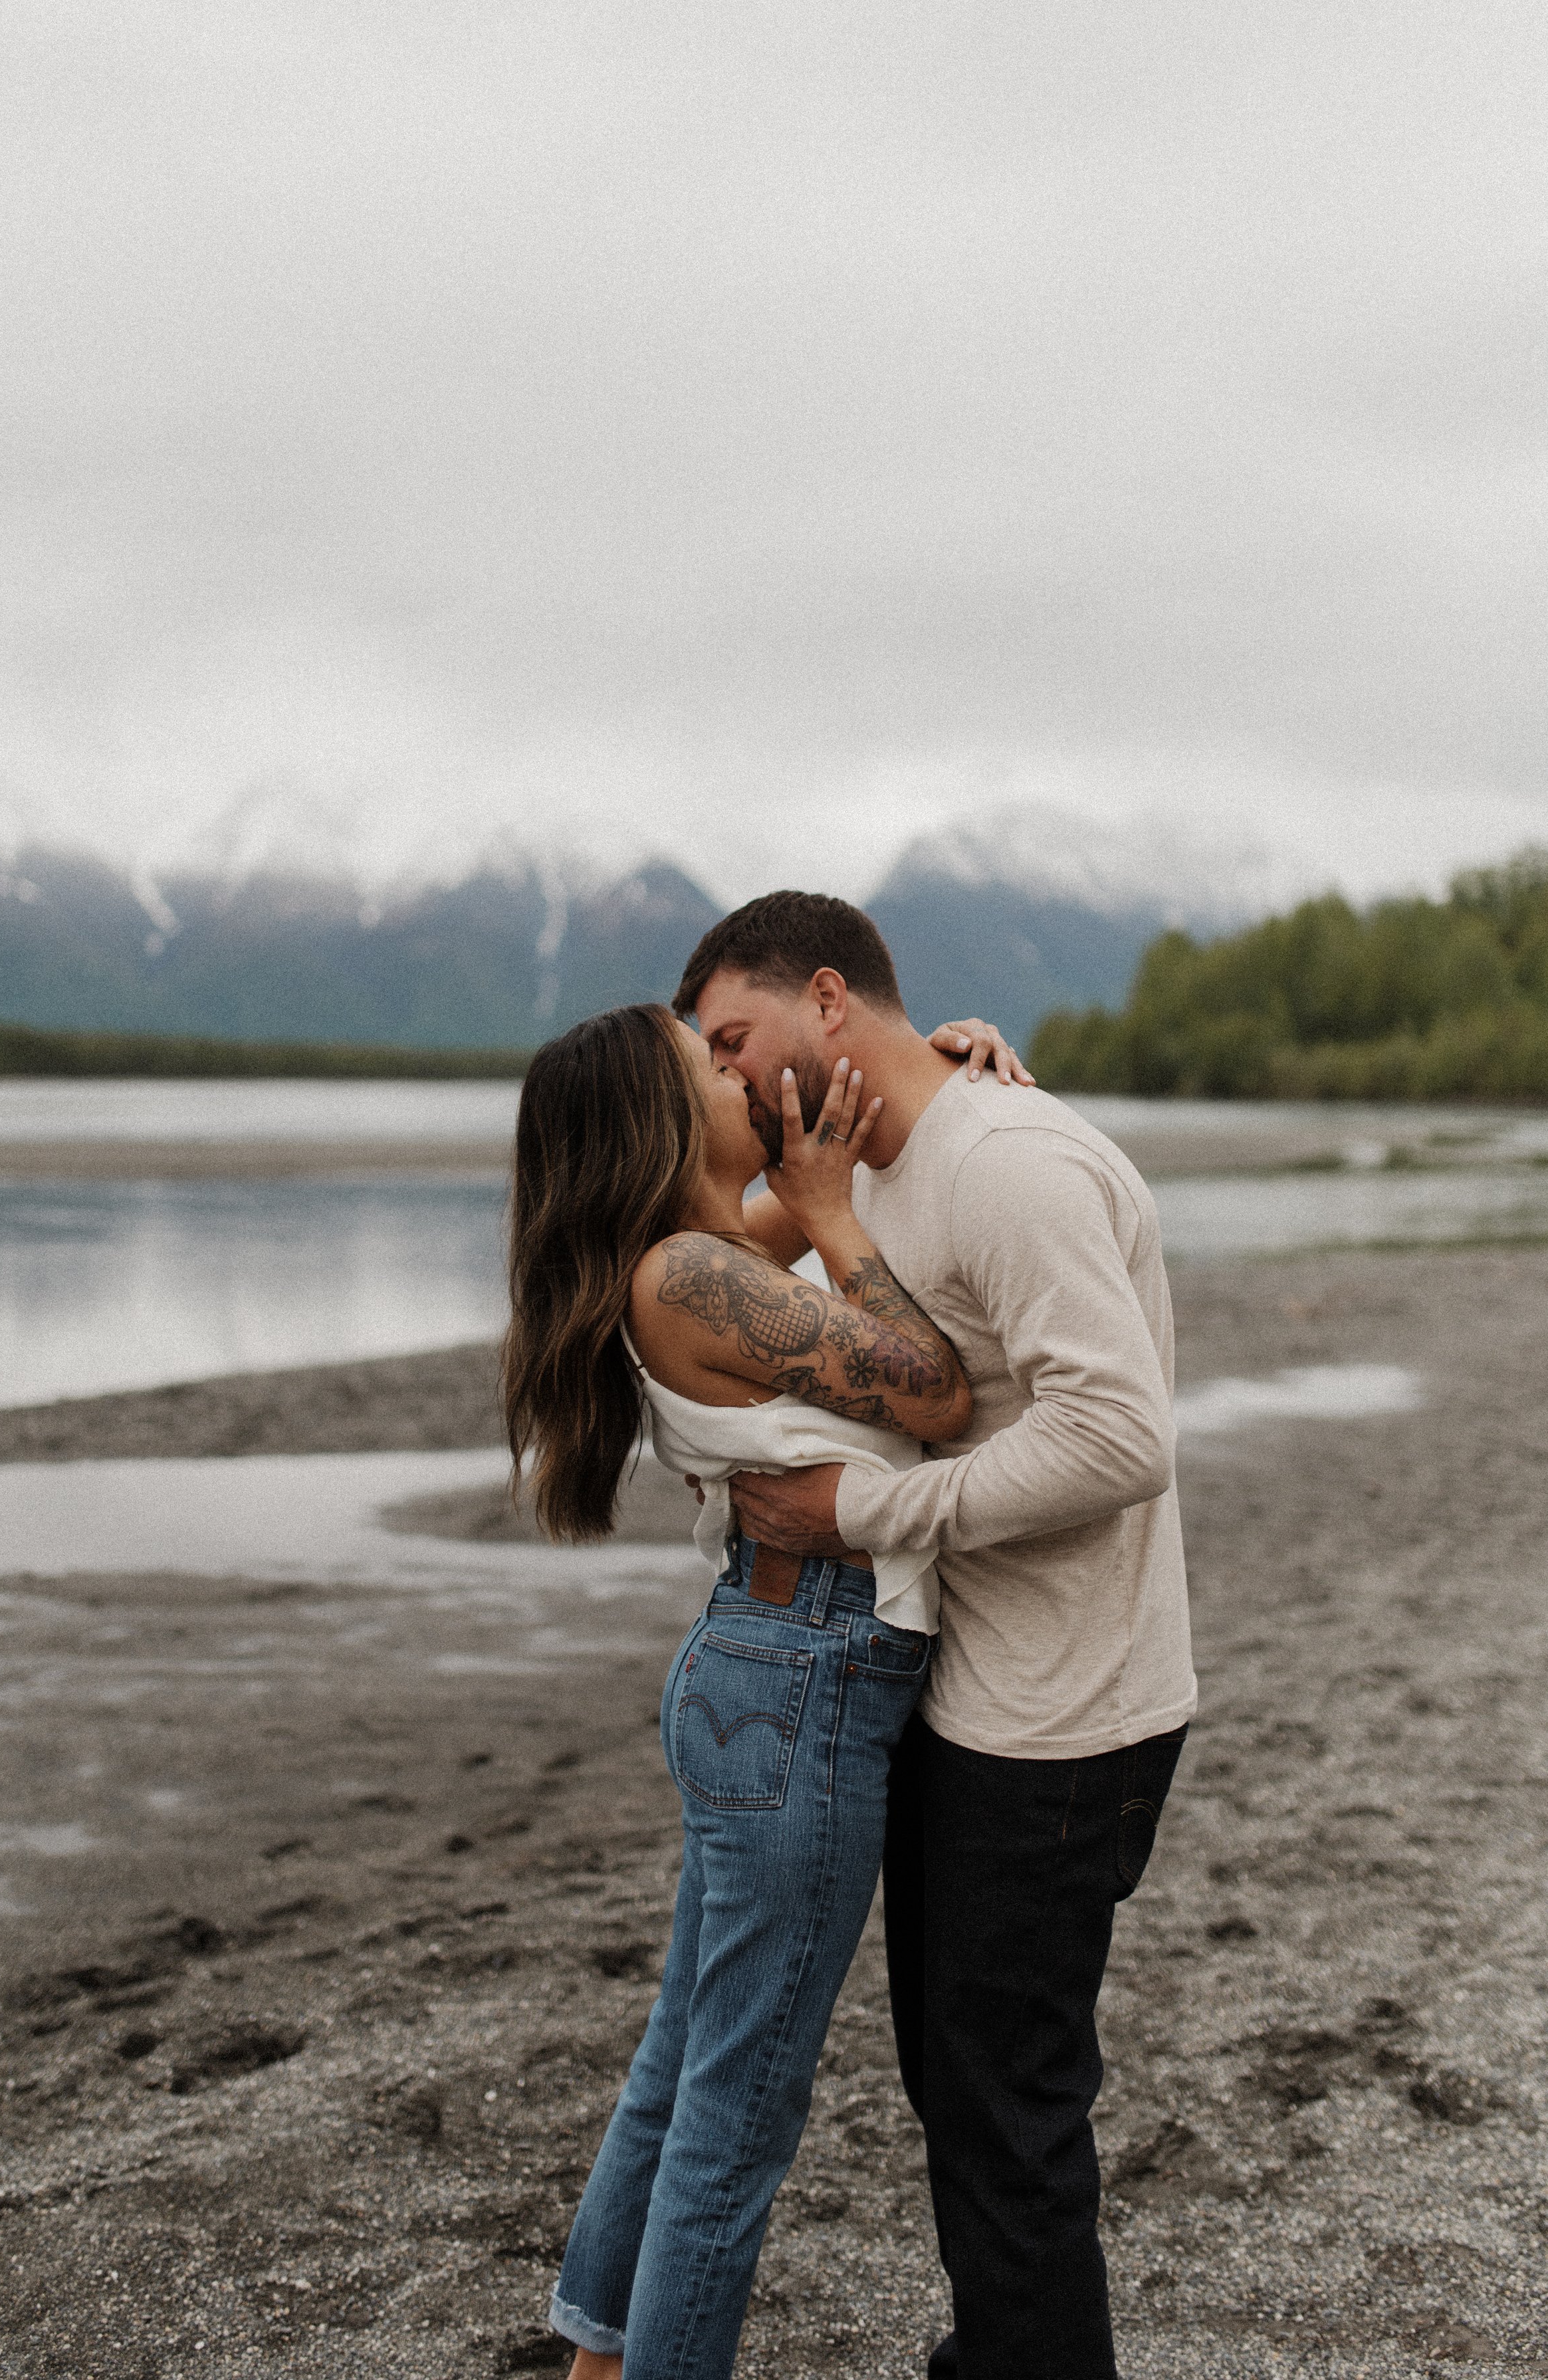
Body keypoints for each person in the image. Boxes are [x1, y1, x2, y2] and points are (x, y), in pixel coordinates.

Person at [675, 892, 1196, 2380]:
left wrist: (856, 1513)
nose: (723, 1079)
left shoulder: (1007, 1162)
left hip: (1063, 1718)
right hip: (973, 1698)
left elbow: (1118, 1439)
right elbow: (689, 1258)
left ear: (825, 1001)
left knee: (1007, 2120)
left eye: (734, 1040)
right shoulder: (863, 1161)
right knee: (965, 2093)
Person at [502, 998, 986, 2380]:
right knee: (741, 2103)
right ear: (657, 1121)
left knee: (685, 2061)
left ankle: (596, 2356)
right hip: (803, 1679)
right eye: (704, 1060)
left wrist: (940, 1060)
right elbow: (935, 1393)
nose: (735, 1068)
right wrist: (834, 1212)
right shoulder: (688, 1278)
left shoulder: (702, 1255)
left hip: (768, 1668)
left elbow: (845, 1147)